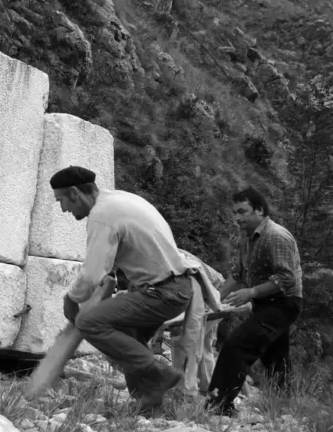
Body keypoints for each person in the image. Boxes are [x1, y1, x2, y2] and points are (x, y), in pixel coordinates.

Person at [52, 165, 217, 412]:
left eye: (62, 201)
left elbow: (92, 272)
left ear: (75, 193)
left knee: (88, 322)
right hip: (176, 287)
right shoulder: (121, 200)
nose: (64, 209)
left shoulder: (102, 216)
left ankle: (159, 373)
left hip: (162, 292)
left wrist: (72, 299)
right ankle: (148, 402)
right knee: (129, 337)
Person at [205, 187, 303, 416]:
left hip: (284, 303)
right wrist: (213, 301)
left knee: (236, 345)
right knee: (275, 357)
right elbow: (237, 274)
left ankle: (219, 406)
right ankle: (283, 409)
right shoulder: (247, 237)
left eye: (242, 211)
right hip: (265, 302)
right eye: (235, 212)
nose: (237, 217)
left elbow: (286, 278)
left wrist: (251, 292)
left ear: (259, 210)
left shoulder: (276, 236)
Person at [170, 249, 224, 397]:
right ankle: (209, 390)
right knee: (204, 346)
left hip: (211, 293)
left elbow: (199, 287)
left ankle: (186, 390)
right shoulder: (169, 254)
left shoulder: (176, 259)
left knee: (189, 342)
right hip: (211, 291)